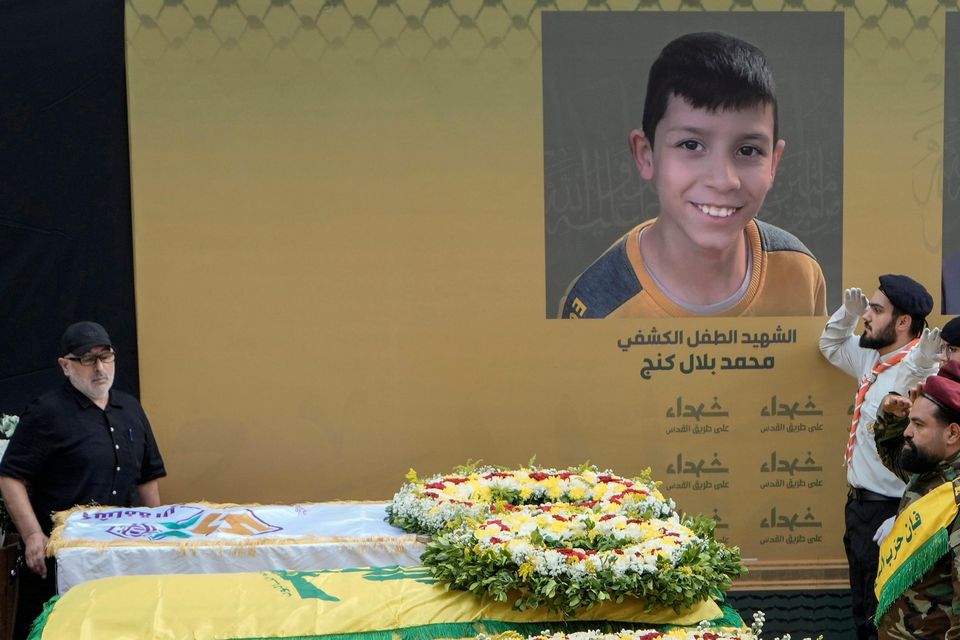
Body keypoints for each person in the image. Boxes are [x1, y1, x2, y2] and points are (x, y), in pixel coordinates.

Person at [558, 31, 827, 318]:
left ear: (773, 163)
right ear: (645, 154)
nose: (724, 181)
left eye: (748, 151)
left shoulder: (800, 273)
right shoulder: (597, 307)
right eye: (691, 145)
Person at [0, 321, 166, 640]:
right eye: (88, 359)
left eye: (106, 356)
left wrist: (157, 536)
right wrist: (34, 536)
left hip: (123, 555)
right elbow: (11, 476)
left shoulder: (130, 408)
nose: (100, 367)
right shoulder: (47, 412)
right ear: (66, 365)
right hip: (63, 559)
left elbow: (148, 478)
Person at [819, 275, 941, 640]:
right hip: (860, 509)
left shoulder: (924, 369)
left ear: (903, 322)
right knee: (864, 609)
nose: (867, 316)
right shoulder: (874, 358)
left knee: (888, 615)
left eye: (875, 309)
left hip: (895, 510)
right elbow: (830, 344)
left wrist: (920, 367)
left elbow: (930, 457)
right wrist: (847, 313)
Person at [871, 362, 960, 636]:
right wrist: (890, 415)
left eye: (918, 424)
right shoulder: (931, 469)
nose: (907, 432)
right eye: (909, 421)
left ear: (952, 433)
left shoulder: (954, 495)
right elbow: (895, 453)